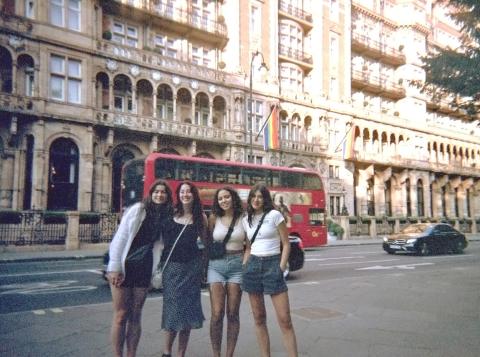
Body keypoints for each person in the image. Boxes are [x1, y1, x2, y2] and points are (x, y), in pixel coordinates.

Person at [107, 179, 173, 357]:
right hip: (124, 266)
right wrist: (114, 267)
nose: (160, 195)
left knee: (136, 315)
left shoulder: (165, 217)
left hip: (144, 268)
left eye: (163, 192)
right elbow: (120, 237)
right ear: (151, 194)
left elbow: (160, 247)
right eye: (156, 192)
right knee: (121, 314)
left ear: (167, 196)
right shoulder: (138, 210)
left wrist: (155, 275)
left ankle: (131, 354)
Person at [242, 183, 298, 357]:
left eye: (260, 196)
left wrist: (280, 268)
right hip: (252, 267)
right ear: (250, 199)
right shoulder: (246, 220)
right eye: (253, 196)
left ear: (265, 199)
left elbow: (286, 244)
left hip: (272, 264)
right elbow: (249, 247)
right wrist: (245, 266)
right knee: (259, 318)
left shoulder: (275, 215)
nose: (256, 200)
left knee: (285, 319)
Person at [160, 181, 208, 357]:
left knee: (187, 311)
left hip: (192, 269)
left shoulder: (200, 217)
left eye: (188, 191)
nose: (185, 194)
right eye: (182, 191)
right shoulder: (170, 214)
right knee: (172, 310)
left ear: (194, 195)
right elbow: (160, 241)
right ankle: (166, 352)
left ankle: (181, 353)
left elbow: (205, 242)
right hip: (172, 268)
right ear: (178, 195)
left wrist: (204, 267)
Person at [207, 187, 247, 357]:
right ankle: (216, 354)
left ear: (233, 198)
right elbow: (208, 241)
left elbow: (249, 246)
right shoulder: (214, 217)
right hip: (216, 265)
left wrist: (244, 264)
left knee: (232, 314)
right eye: (220, 198)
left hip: (237, 266)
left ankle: (229, 354)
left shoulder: (243, 219)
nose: (224, 200)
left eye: (227, 197)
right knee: (216, 314)